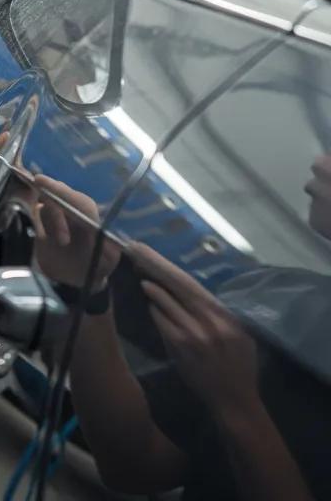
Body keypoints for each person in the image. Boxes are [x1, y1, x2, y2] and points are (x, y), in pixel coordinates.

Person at [32, 171, 329, 500]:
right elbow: (137, 463)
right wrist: (85, 290)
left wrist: (237, 403)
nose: (320, 162)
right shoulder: (283, 297)